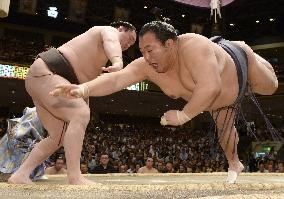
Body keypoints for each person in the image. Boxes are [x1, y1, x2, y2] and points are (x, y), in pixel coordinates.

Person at [50, 21, 279, 183]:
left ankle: (245, 47)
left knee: (271, 88)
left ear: (170, 44)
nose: (146, 57)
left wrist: (183, 116)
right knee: (225, 130)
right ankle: (234, 163)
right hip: (219, 104)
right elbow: (118, 78)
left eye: (150, 50)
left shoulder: (194, 45)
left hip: (240, 64)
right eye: (142, 51)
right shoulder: (147, 66)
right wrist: (83, 88)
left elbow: (211, 86)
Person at [8, 21, 136, 185]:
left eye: (132, 43)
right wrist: (118, 62)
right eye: (130, 38)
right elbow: (112, 41)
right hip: (49, 71)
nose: (128, 44)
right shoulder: (107, 30)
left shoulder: (98, 61)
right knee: (80, 113)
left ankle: (21, 174)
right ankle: (75, 176)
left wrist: (83, 112)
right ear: (120, 29)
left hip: (47, 81)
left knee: (57, 137)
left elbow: (84, 89)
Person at [0, 107, 48, 181]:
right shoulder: (23, 125)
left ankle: (25, 174)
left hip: (23, 144)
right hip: (16, 144)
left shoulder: (26, 125)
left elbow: (37, 137)